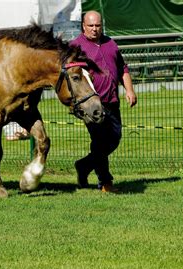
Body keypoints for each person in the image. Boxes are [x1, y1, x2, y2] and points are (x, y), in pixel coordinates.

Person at [70, 10, 137, 192]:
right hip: (92, 105)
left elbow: (123, 68)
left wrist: (129, 90)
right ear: (83, 26)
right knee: (99, 141)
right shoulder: (75, 47)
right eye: (90, 26)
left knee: (114, 139)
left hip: (112, 101)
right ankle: (105, 182)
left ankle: (84, 165)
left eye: (97, 25)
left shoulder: (110, 43)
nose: (94, 29)